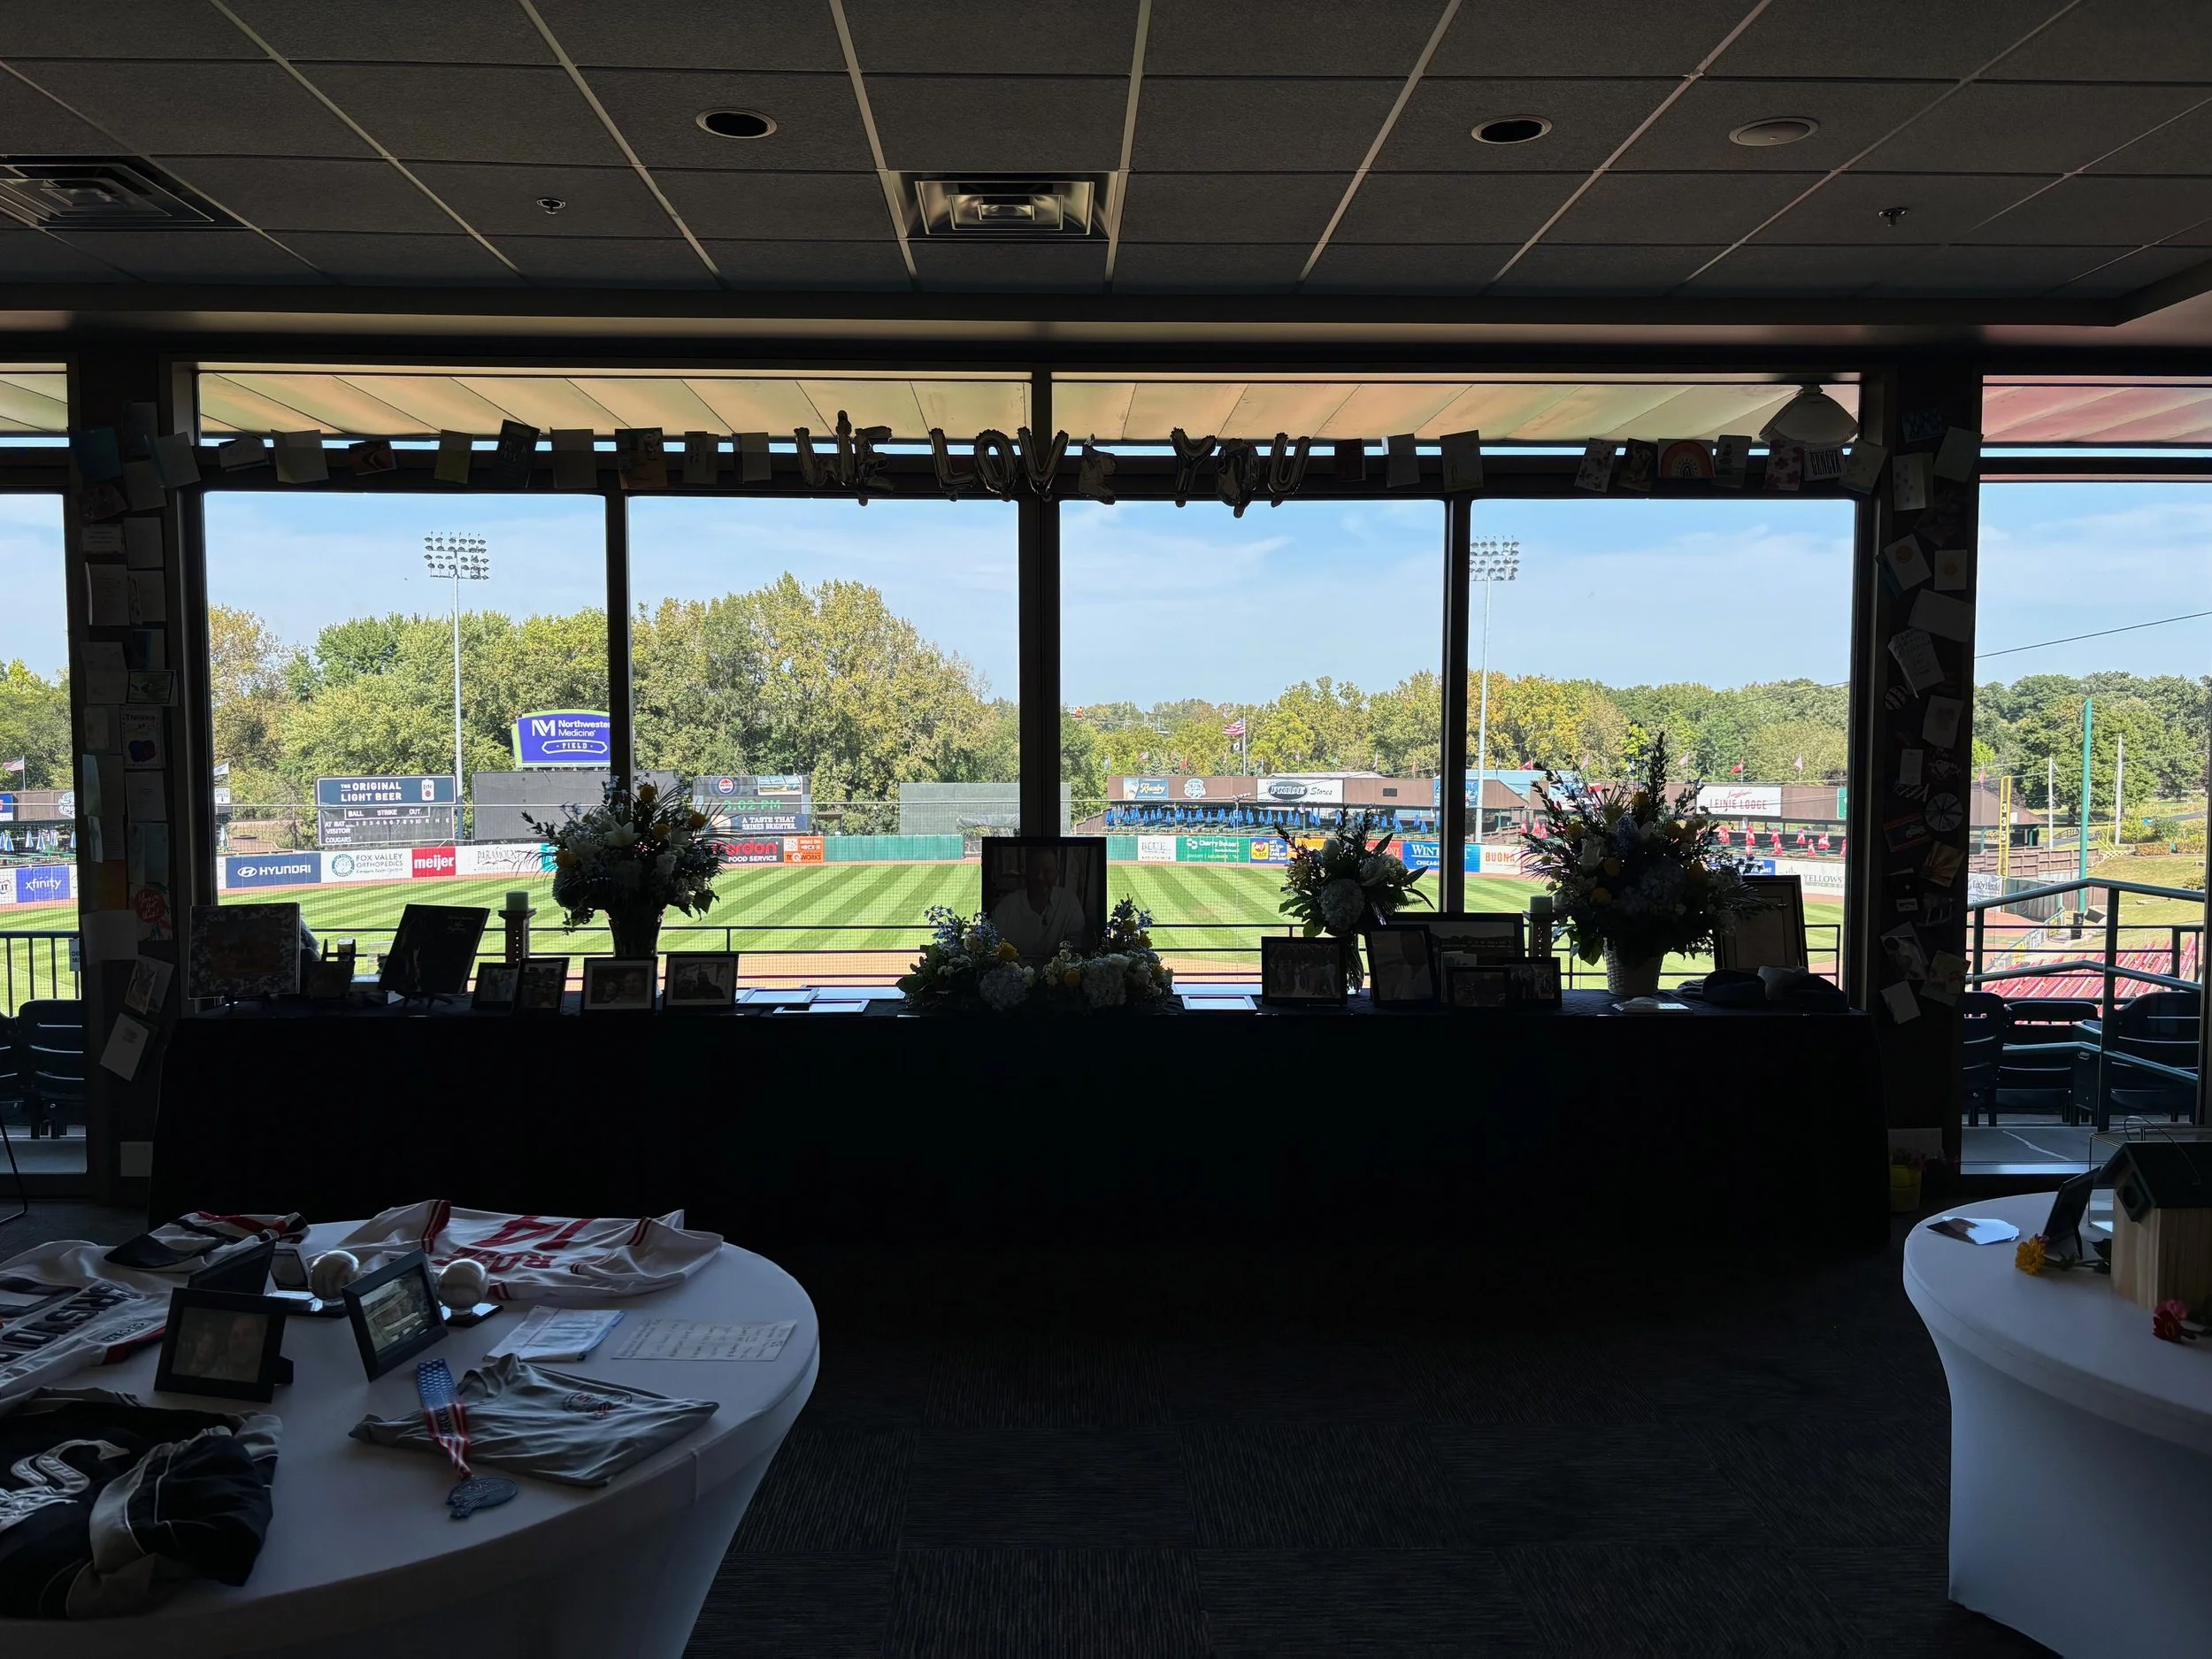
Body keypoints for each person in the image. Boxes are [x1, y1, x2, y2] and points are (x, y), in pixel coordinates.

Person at [988, 846, 1091, 961]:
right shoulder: (1007, 905)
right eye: (1034, 870)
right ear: (1026, 871)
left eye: (1047, 871)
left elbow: (1077, 948)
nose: (1040, 877)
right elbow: (991, 945)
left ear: (1056, 873)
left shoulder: (1070, 903)